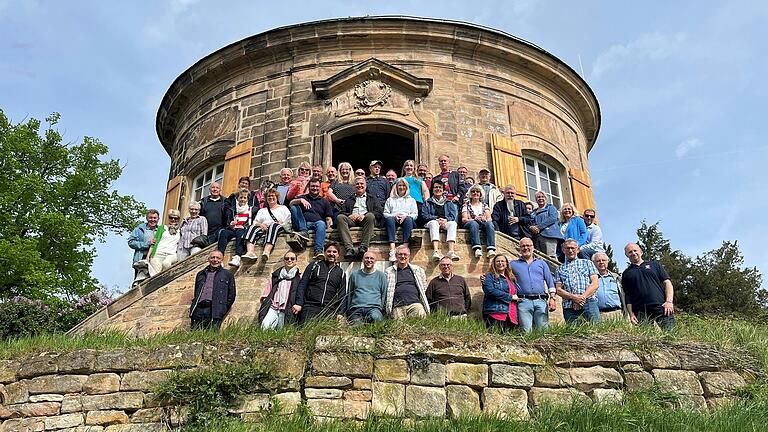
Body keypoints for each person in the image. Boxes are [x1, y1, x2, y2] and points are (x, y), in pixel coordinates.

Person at [621, 243, 675, 330]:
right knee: (646, 340)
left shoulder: (655, 265)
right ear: (626, 255)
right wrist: (631, 314)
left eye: (635, 250)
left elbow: (667, 283)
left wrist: (669, 301)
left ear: (641, 252)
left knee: (671, 335)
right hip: (641, 312)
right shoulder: (626, 273)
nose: (633, 253)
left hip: (661, 307)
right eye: (630, 252)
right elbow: (628, 295)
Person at [292, 243, 347, 325]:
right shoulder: (314, 266)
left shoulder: (341, 273)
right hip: (310, 307)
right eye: (329, 251)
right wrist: (299, 303)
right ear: (324, 253)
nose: (331, 254)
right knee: (304, 334)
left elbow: (342, 294)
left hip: (329, 310)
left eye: (334, 252)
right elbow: (302, 285)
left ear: (338, 255)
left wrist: (340, 312)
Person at [509, 237, 557, 333]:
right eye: (523, 246)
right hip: (523, 301)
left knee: (543, 331)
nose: (526, 248)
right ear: (520, 248)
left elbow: (550, 281)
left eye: (528, 245)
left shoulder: (542, 263)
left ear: (533, 247)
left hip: (541, 301)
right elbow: (503, 276)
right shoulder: (513, 264)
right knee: (525, 331)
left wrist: (552, 298)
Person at [336, 176, 383, 259]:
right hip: (352, 220)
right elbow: (341, 212)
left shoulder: (372, 198)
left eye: (361, 184)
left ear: (365, 185)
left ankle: (363, 247)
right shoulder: (349, 199)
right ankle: (349, 249)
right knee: (340, 217)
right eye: (357, 184)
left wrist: (364, 215)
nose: (359, 185)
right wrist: (349, 215)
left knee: (370, 215)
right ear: (354, 186)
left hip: (366, 220)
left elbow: (379, 212)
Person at [555, 239, 600, 324]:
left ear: (578, 249)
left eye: (573, 248)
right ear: (563, 250)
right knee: (573, 335)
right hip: (569, 306)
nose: (570, 250)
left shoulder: (587, 263)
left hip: (589, 303)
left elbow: (595, 284)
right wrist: (574, 298)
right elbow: (559, 290)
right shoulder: (559, 269)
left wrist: (581, 298)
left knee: (596, 331)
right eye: (568, 248)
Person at [189, 250, 236, 330]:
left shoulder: (227, 274)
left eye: (218, 258)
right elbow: (196, 292)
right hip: (198, 309)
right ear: (208, 259)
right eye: (212, 257)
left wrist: (222, 308)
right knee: (194, 336)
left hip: (215, 309)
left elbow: (231, 295)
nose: (215, 260)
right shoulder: (200, 274)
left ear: (222, 260)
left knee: (212, 336)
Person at [289, 178, 334, 260]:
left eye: (317, 186)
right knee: (294, 208)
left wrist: (329, 228)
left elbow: (328, 217)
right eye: (313, 186)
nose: (315, 188)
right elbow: (291, 203)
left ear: (320, 187)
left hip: (317, 224)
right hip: (302, 224)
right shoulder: (303, 197)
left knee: (321, 223)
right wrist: (301, 200)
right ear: (309, 187)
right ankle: (303, 231)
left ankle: (318, 250)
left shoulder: (324, 201)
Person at [258, 251, 301, 330]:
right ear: (284, 260)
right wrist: (265, 298)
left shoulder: (298, 278)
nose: (289, 260)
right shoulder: (276, 275)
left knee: (282, 331)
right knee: (265, 327)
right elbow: (269, 287)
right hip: (273, 306)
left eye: (292, 258)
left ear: (296, 261)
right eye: (287, 258)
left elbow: (300, 293)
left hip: (287, 307)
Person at [244, 188, 291, 260]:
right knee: (251, 227)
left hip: (278, 227)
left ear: (277, 197)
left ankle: (266, 251)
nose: (271, 198)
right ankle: (250, 252)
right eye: (269, 196)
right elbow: (255, 222)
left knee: (273, 226)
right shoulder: (262, 210)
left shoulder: (283, 208)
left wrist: (281, 222)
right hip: (264, 228)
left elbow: (288, 220)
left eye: (273, 196)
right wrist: (261, 225)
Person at [384, 246, 430, 319]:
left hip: (414, 304)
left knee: (421, 320)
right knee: (398, 328)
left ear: (409, 256)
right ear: (396, 256)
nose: (403, 256)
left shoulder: (418, 270)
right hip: (397, 306)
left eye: (405, 254)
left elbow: (424, 288)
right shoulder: (389, 271)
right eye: (400, 254)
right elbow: (386, 290)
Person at [421, 181, 460, 261]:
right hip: (431, 222)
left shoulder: (449, 202)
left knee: (453, 224)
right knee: (434, 223)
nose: (438, 189)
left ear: (443, 190)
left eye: (440, 187)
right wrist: (436, 219)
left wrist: (446, 220)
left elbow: (453, 216)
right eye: (436, 187)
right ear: (432, 190)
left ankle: (451, 251)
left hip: (445, 222)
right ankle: (435, 251)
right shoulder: (427, 202)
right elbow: (424, 215)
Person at [347, 251, 388, 324]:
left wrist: (380, 308)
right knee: (356, 327)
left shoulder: (381, 276)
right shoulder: (354, 275)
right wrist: (348, 310)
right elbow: (349, 294)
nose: (369, 260)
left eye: (372, 258)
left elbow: (383, 294)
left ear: (375, 261)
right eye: (367, 258)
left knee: (376, 318)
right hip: (356, 308)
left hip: (374, 308)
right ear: (363, 260)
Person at [217, 189, 255, 267]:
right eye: (241, 197)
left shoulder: (251, 210)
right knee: (223, 232)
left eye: (245, 198)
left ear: (247, 199)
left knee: (240, 231)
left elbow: (254, 222)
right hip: (233, 229)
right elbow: (228, 222)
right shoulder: (233, 210)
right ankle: (220, 257)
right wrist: (231, 224)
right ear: (237, 198)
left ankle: (237, 256)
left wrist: (244, 226)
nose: (242, 199)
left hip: (243, 230)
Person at [383, 178, 418, 262]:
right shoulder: (390, 200)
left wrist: (405, 216)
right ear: (396, 187)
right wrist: (395, 216)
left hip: (407, 220)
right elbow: (385, 213)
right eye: (399, 185)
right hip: (394, 218)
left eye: (403, 186)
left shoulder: (411, 200)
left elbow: (415, 214)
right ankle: (392, 249)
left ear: (406, 188)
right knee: (389, 219)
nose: (401, 187)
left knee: (409, 219)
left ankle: (405, 246)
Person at [482, 254, 519, 332]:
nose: (500, 263)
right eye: (498, 261)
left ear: (506, 264)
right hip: (496, 313)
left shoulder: (511, 278)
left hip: (511, 314)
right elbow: (490, 291)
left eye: (502, 261)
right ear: (494, 264)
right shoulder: (490, 276)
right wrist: (510, 297)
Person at [461, 184, 496, 258]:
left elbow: (489, 218)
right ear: (470, 194)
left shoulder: (484, 205)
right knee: (474, 223)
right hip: (470, 223)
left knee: (489, 224)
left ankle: (490, 249)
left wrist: (484, 219)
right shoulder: (466, 205)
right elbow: (464, 219)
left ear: (480, 194)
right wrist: (474, 219)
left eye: (477, 192)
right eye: (473, 191)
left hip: (483, 223)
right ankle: (477, 248)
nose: (475, 193)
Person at [128, 209, 160, 285]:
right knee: (139, 282)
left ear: (158, 219)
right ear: (147, 218)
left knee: (153, 281)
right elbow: (131, 242)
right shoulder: (139, 229)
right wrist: (147, 244)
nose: (153, 220)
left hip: (155, 258)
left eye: (155, 218)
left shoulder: (161, 230)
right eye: (150, 218)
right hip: (141, 258)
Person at [592, 252, 626, 321]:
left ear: (607, 261)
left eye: (603, 260)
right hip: (598, 315)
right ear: (593, 263)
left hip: (617, 313)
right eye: (598, 261)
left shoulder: (616, 277)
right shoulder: (590, 279)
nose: (601, 262)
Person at [529, 191, 562, 258]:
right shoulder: (534, 212)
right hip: (537, 237)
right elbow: (530, 221)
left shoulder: (550, 207)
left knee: (550, 257)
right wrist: (531, 227)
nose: (540, 198)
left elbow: (552, 218)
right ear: (536, 199)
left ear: (546, 199)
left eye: (542, 197)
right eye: (538, 197)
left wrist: (539, 227)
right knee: (539, 257)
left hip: (549, 235)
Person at [148, 209, 181, 274]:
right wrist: (148, 256)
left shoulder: (180, 231)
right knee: (155, 275)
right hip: (158, 254)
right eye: (171, 217)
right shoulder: (162, 228)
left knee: (166, 264)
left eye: (176, 218)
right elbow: (154, 243)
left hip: (171, 254)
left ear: (178, 219)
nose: (173, 220)